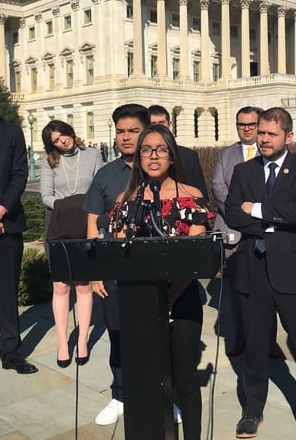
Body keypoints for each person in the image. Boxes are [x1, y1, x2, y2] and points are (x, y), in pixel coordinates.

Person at [225, 107, 296, 440]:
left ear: (288, 136)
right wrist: (271, 219)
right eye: (261, 132)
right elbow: (231, 215)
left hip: (295, 273)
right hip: (253, 271)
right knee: (254, 349)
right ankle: (252, 410)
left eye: (271, 133)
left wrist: (254, 209)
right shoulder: (243, 171)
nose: (263, 139)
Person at [108, 123, 212, 440]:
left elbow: (195, 256)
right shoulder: (125, 200)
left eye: (161, 149)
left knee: (185, 379)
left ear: (171, 155)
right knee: (147, 380)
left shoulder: (190, 196)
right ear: (138, 156)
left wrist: (168, 298)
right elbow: (119, 254)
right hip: (138, 304)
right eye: (146, 150)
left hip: (181, 300)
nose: (153, 156)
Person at [84, 103, 150, 425]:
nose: (126, 137)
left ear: (146, 131)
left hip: (154, 272)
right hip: (115, 274)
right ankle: (120, 395)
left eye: (133, 131)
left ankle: (164, 396)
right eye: (121, 131)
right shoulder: (106, 175)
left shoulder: (161, 169)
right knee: (118, 336)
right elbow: (92, 226)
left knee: (159, 338)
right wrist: (96, 270)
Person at [211, 105, 280, 358]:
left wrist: (259, 211)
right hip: (234, 229)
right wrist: (242, 209)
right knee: (239, 291)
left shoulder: (272, 151)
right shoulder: (225, 154)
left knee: (268, 290)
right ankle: (241, 338)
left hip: (265, 230)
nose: (247, 128)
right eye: (242, 124)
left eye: (252, 124)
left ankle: (268, 341)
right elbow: (218, 186)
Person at [40, 120, 103, 367]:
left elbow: (100, 187)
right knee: (61, 286)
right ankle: (63, 343)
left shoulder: (93, 154)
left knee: (84, 285)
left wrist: (85, 209)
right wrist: (67, 207)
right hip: (59, 224)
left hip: (87, 221)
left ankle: (83, 340)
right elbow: (46, 195)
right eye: (56, 140)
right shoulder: (49, 161)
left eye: (63, 135)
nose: (62, 141)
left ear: (70, 132)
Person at [0, 80, 38, 374]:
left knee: (8, 292)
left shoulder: (11, 132)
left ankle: (10, 351)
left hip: (7, 224)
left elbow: (20, 174)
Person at [148, 104, 208, 200]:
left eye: (161, 123)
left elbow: (202, 196)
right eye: (153, 124)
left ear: (169, 124)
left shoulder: (189, 156)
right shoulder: (141, 156)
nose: (158, 128)